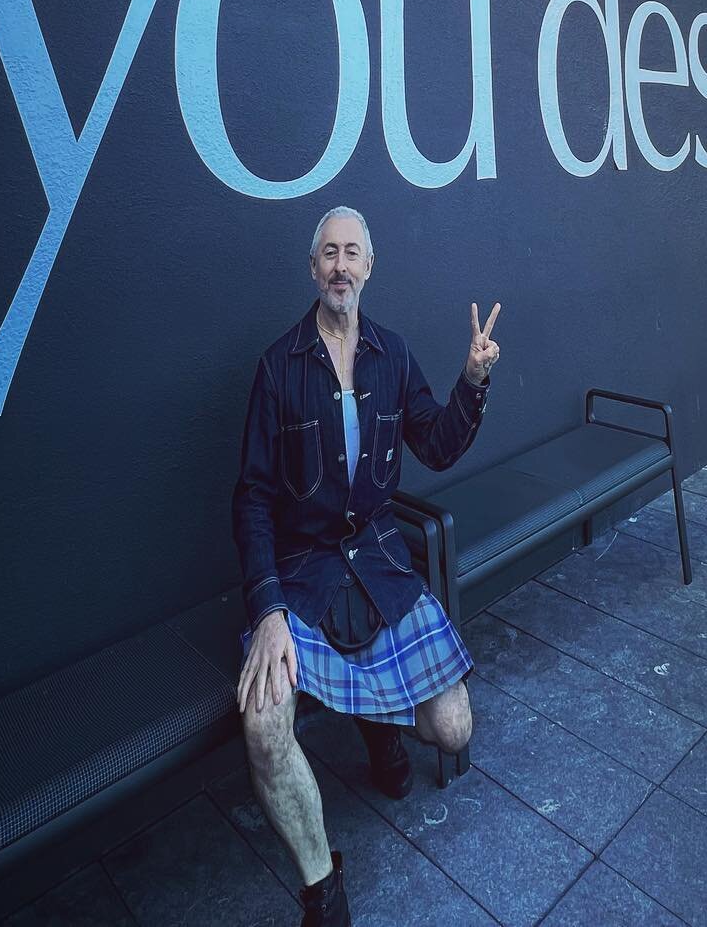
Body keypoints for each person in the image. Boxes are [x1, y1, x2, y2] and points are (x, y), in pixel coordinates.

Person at [232, 206, 502, 927]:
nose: (340, 265)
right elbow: (253, 497)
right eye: (329, 253)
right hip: (303, 579)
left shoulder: (393, 354)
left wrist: (472, 379)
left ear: (370, 267)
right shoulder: (278, 365)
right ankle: (324, 887)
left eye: (353, 252)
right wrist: (266, 611)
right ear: (313, 268)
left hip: (379, 567)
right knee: (262, 726)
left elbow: (438, 445)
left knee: (452, 728)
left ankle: (378, 723)